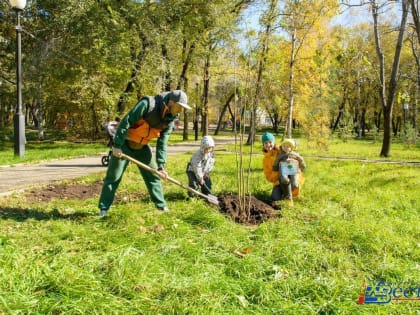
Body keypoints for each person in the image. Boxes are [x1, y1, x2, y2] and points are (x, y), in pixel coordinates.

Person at [98, 90, 191, 217]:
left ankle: (161, 206)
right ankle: (103, 209)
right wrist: (117, 145)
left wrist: (161, 166)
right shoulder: (148, 104)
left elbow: (162, 143)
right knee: (113, 177)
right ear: (171, 102)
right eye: (179, 106)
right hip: (125, 144)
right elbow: (127, 121)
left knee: (153, 176)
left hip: (142, 148)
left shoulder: (169, 120)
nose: (181, 110)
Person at [273, 138, 306, 206]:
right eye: (284, 146)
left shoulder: (295, 155)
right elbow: (276, 162)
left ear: (291, 148)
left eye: (288, 146)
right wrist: (276, 167)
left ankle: (290, 191)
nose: (286, 148)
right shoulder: (281, 155)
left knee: (295, 184)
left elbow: (301, 160)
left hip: (293, 171)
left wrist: (302, 166)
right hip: (284, 171)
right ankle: (288, 196)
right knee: (284, 180)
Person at [261, 132, 283, 209]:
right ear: (263, 145)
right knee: (275, 198)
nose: (268, 145)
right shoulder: (265, 160)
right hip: (277, 182)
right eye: (265, 143)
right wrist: (276, 172)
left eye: (270, 142)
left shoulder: (280, 152)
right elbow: (268, 176)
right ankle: (280, 191)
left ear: (274, 142)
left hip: (288, 178)